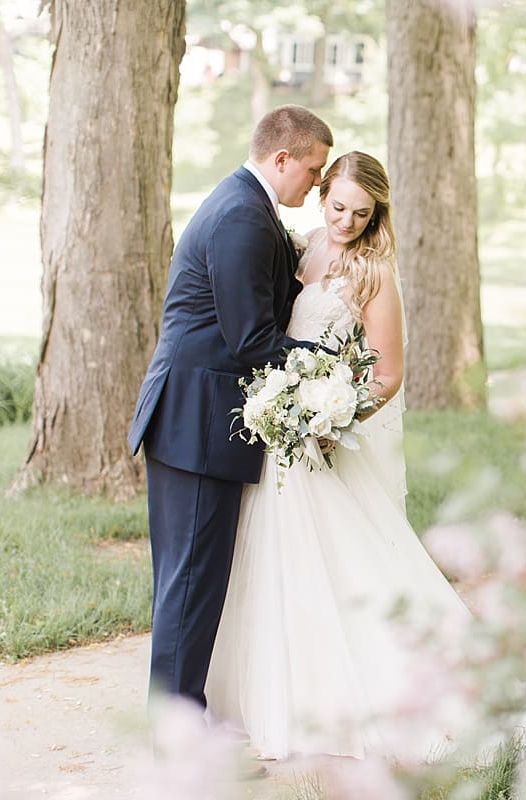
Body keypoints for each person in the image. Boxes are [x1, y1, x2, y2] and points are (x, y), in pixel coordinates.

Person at [204, 151, 472, 762]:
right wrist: (287, 408)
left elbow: (388, 373)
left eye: (361, 213)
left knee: (337, 559)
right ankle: (272, 691)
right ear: (322, 194)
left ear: (377, 214)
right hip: (279, 435)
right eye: (338, 206)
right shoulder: (299, 249)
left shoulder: (375, 273)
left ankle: (374, 694)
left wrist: (332, 418)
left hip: (322, 436)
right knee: (272, 559)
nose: (346, 221)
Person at [128, 105, 333, 710]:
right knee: (191, 581)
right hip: (197, 421)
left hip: (195, 416)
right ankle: (174, 731)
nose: (316, 183)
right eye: (314, 170)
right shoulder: (243, 214)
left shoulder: (245, 205)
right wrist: (331, 366)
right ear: (282, 159)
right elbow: (252, 339)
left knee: (189, 578)